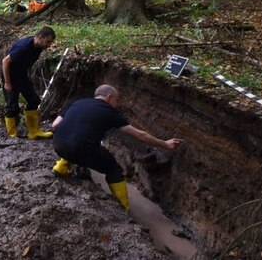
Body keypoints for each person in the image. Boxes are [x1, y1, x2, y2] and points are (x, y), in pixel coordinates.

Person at [50, 84, 184, 211]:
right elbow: (140, 135)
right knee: (113, 169)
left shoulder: (78, 102)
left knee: (78, 141)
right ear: (109, 97)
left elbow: (55, 125)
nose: (117, 103)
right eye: (116, 99)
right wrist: (165, 144)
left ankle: (60, 166)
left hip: (58, 145)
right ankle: (123, 206)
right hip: (81, 149)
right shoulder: (109, 112)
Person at [1, 26, 56, 140]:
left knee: (34, 100)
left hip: (21, 75)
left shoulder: (38, 47)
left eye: (50, 42)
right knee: (12, 106)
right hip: (10, 77)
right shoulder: (23, 47)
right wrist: (7, 83)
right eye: (48, 42)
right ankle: (12, 135)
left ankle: (34, 132)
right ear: (40, 37)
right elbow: (5, 61)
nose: (49, 45)